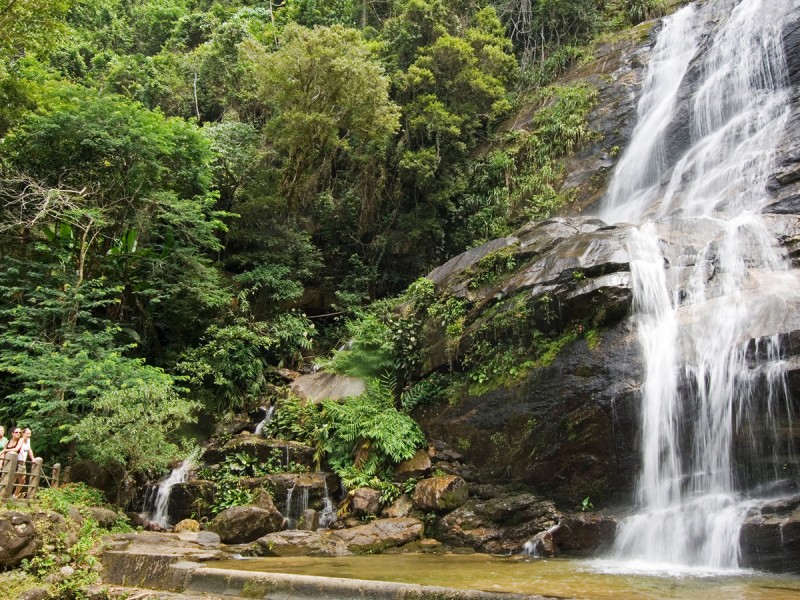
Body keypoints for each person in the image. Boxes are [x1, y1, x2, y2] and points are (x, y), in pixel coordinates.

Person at [13, 428, 35, 498]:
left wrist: (33, 459)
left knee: (22, 480)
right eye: (27, 433)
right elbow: (18, 449)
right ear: (23, 434)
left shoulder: (28, 440)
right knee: (13, 479)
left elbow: (29, 450)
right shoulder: (20, 440)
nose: (29, 435)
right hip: (18, 462)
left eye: (30, 434)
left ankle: (14, 495)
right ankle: (4, 495)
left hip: (23, 463)